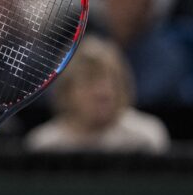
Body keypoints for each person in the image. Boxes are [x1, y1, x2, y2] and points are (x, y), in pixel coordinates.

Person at [24, 34, 170, 153]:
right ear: (67, 91)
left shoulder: (145, 139)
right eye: (90, 80)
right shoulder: (45, 146)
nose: (103, 92)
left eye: (112, 81)